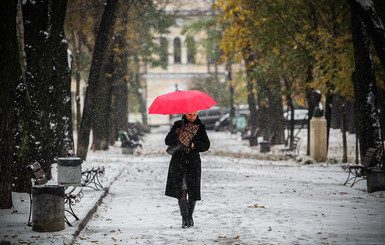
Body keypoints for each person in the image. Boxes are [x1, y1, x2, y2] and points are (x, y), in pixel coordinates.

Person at [165, 111, 210, 228]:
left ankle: (190, 216)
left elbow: (206, 145)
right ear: (185, 113)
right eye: (190, 114)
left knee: (193, 191)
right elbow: (167, 141)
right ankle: (185, 219)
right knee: (182, 189)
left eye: (194, 115)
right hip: (178, 161)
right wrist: (176, 133)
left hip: (193, 162)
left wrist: (194, 145)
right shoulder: (178, 125)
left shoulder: (200, 127)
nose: (192, 117)